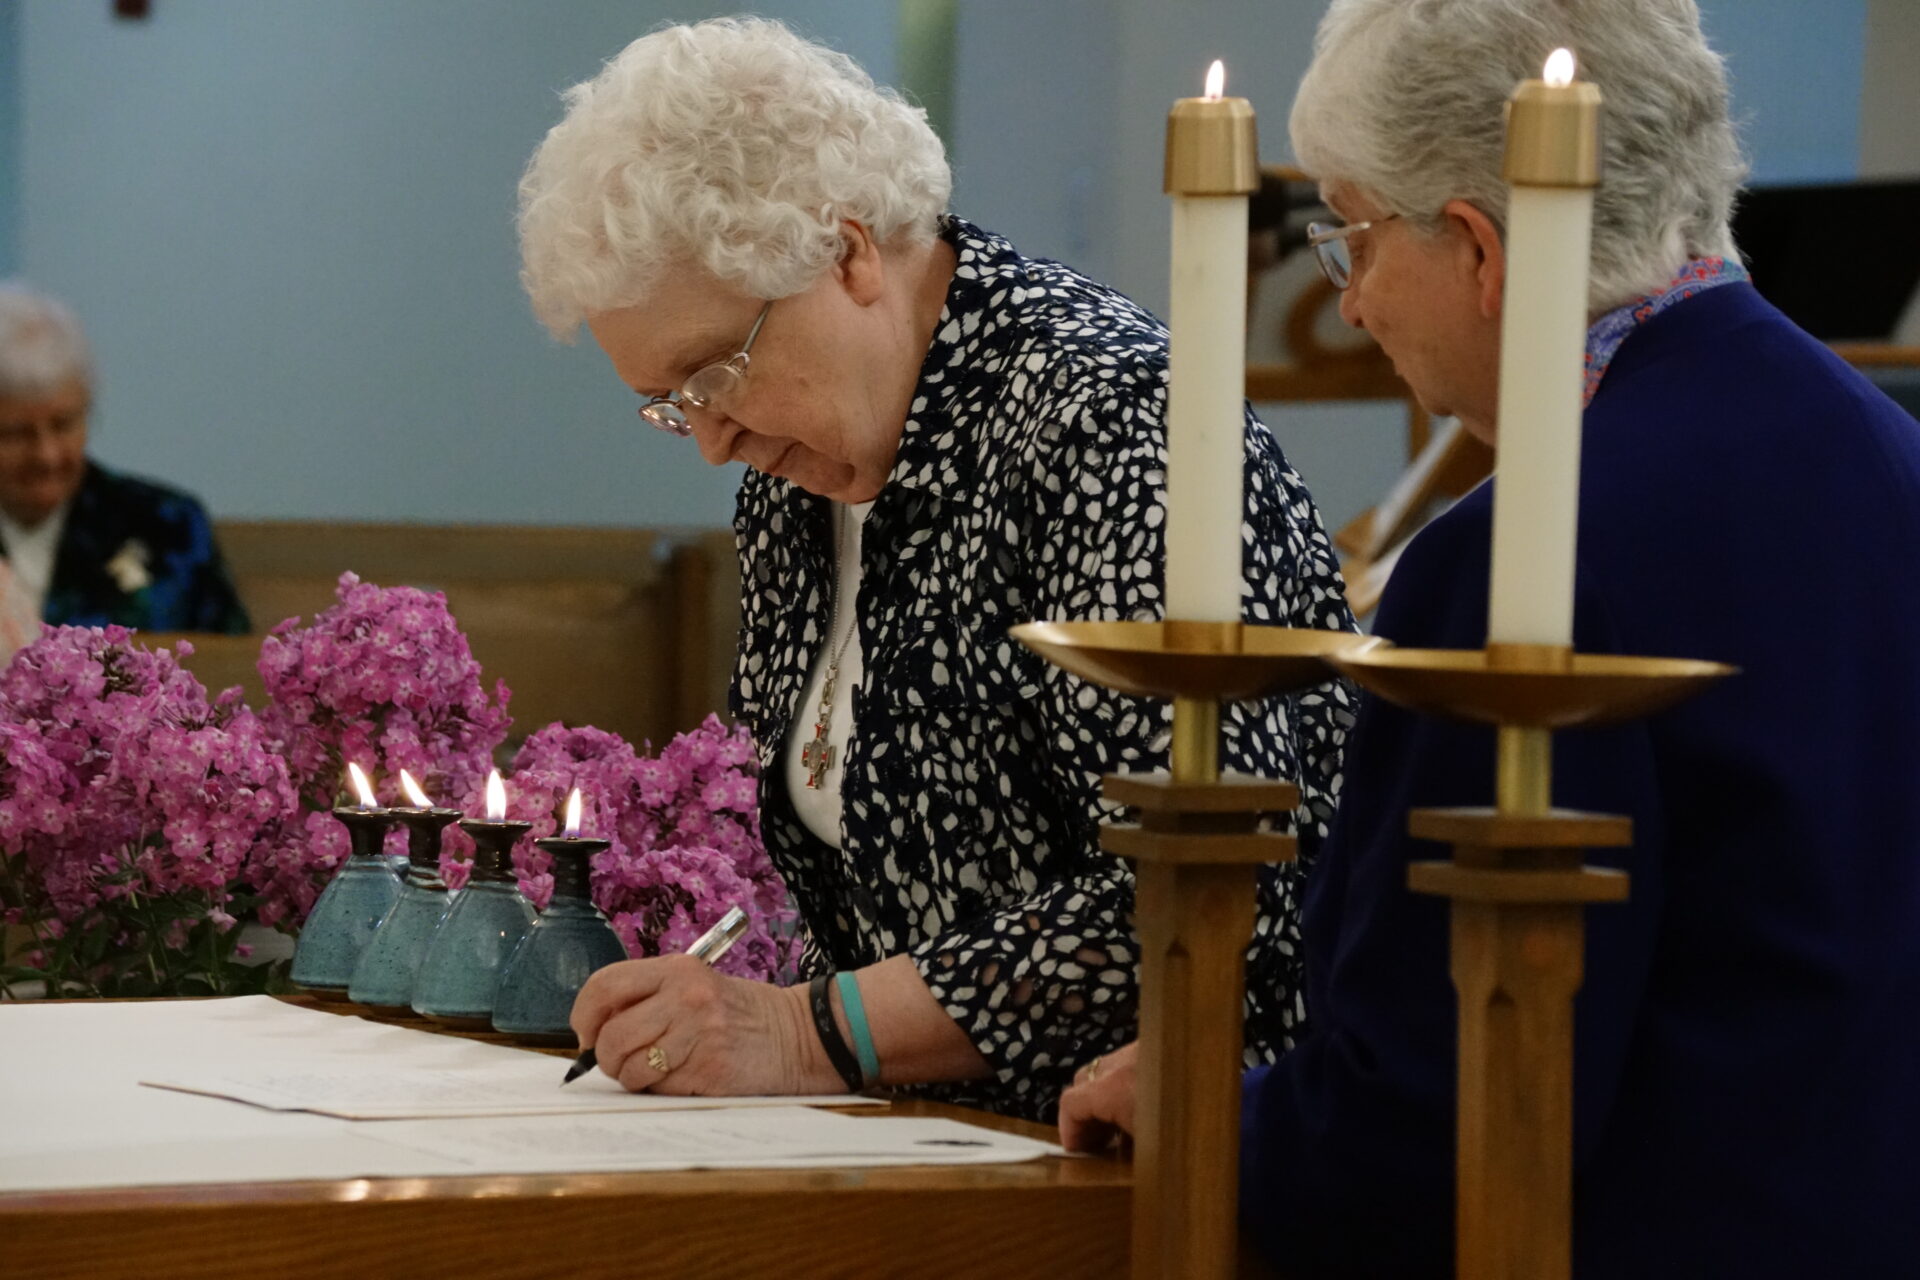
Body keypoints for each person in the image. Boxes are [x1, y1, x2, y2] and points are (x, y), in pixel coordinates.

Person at [1058, 0, 1920, 1274]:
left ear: (1478, 247)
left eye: (1347, 238)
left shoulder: (1510, 563)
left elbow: (1427, 1109)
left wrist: (1202, 1113)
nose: (1348, 306)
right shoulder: (1889, 451)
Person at [516, 17, 1357, 1120]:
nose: (711, 438)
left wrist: (803, 1030)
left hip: (1156, 1149)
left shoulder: (1113, 426)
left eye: (715, 371)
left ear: (850, 253)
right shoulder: (799, 469)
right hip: (922, 1140)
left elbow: (1201, 900)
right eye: (670, 405)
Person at [0, 284, 250, 635]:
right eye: (17, 433)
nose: (47, 455)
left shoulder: (167, 526)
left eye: (64, 424)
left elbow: (232, 668)